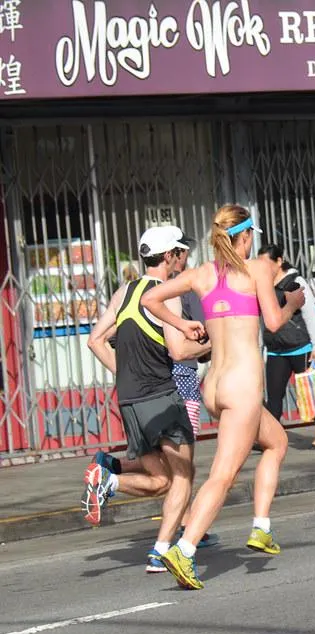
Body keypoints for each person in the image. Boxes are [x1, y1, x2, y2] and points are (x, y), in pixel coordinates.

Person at [140, 205, 306, 589]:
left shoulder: (200, 274)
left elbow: (150, 301)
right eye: (251, 237)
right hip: (243, 387)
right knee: (223, 475)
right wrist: (293, 304)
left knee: (277, 442)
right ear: (245, 236)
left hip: (213, 386)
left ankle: (261, 526)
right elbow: (273, 322)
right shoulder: (259, 270)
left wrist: (183, 324)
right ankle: (184, 549)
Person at [84, 226, 207, 572]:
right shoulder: (166, 294)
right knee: (184, 475)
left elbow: (95, 340)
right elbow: (179, 350)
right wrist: (219, 341)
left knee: (162, 481)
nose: (181, 258)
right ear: (169, 256)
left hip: (130, 401)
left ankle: (109, 481)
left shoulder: (124, 292)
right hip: (161, 396)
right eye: (179, 252)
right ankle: (162, 550)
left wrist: (125, 375)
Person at [257, 243, 315, 449]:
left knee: (312, 392)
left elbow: (310, 314)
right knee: (274, 396)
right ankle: (271, 438)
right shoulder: (263, 286)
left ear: (279, 262)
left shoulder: (295, 281)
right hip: (275, 350)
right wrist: (261, 348)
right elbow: (263, 319)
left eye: (266, 263)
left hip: (301, 347)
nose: (262, 268)